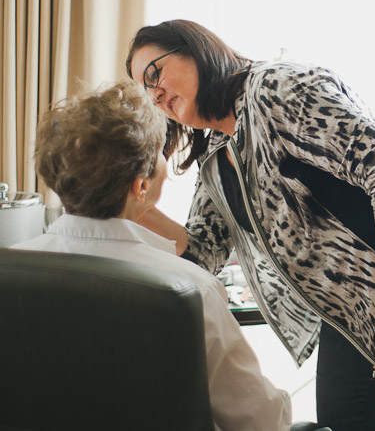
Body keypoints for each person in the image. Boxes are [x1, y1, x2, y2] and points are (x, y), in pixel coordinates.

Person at [125, 19, 375, 431]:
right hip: (352, 307)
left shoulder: (276, 89)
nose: (154, 93)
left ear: (195, 49)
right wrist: (132, 202)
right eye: (145, 88)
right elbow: (203, 253)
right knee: (337, 423)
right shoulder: (215, 148)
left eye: (154, 73)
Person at [12, 81, 292, 431]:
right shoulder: (189, 289)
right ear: (141, 186)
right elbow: (259, 422)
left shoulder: (10, 270)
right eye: (161, 153)